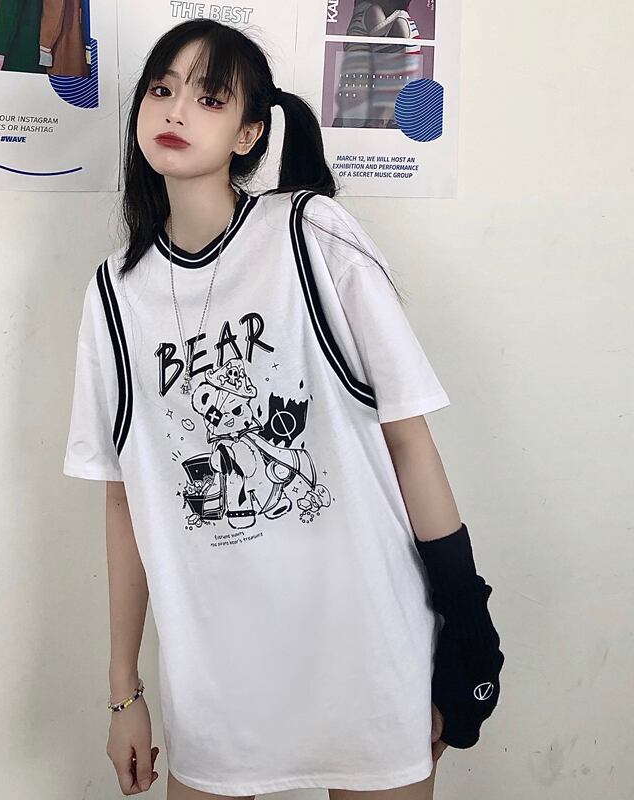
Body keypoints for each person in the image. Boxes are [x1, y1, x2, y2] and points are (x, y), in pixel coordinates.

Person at [63, 18, 504, 800]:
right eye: (161, 90)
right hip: (217, 685)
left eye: (208, 98)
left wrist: (467, 625)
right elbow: (125, 498)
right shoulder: (115, 294)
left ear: (249, 133)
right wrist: (124, 692)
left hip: (367, 651)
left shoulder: (311, 234)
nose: (175, 110)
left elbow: (409, 441)